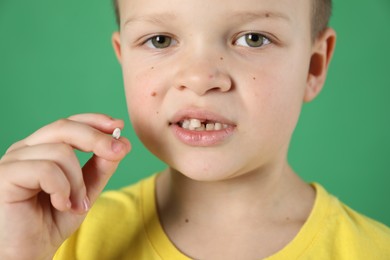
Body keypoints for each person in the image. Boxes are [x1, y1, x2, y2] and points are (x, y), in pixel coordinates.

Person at [1, 0, 389, 259]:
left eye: (254, 39)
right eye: (160, 40)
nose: (200, 78)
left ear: (313, 66)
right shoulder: (57, 244)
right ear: (124, 60)